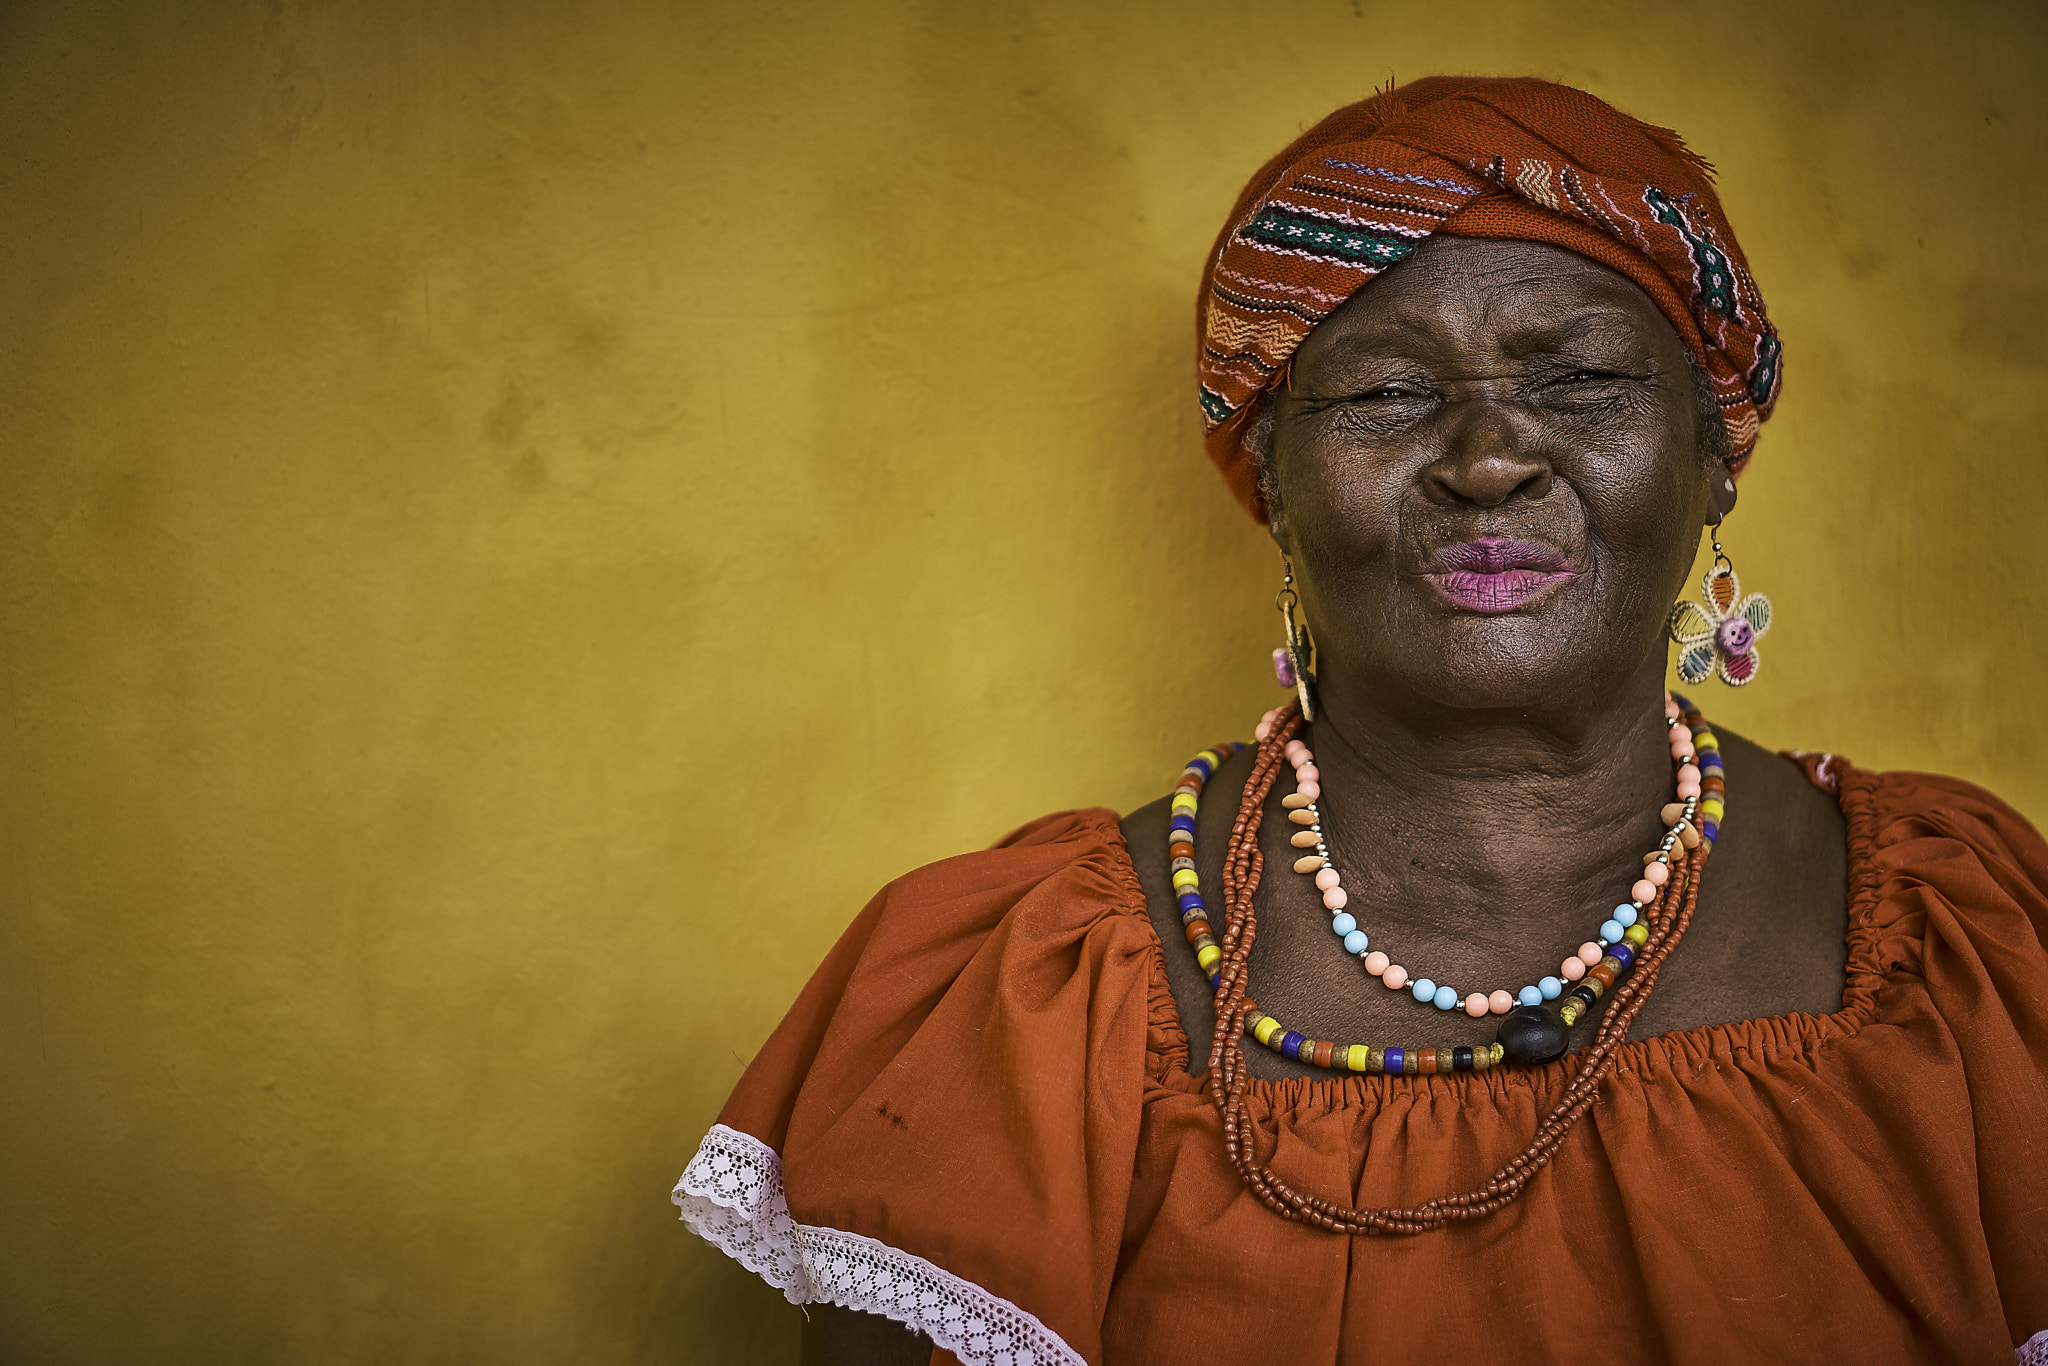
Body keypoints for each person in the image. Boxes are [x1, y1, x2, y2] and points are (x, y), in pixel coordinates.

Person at [673, 77, 2048, 1365]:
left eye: (1576, 379)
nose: (1491, 458)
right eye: (1390, 392)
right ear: (1273, 479)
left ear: (1712, 454)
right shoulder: (1023, 1001)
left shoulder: (1978, 945)